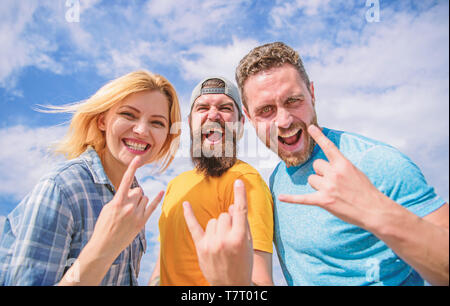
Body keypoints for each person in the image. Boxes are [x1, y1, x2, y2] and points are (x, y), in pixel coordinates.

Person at [233, 42, 449, 286]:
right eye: (266, 110)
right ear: (249, 117)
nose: (283, 120)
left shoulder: (375, 162)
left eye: (293, 100)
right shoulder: (276, 180)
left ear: (312, 94)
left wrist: (377, 212)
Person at [0, 70, 181, 286]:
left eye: (157, 123)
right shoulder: (62, 188)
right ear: (102, 121)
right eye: (128, 115)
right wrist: (103, 249)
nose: (141, 130)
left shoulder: (135, 200)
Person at [150, 77, 274, 286]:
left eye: (225, 108)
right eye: (203, 107)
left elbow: (261, 282)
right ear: (190, 122)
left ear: (241, 123)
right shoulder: (176, 185)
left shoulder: (245, 182)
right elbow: (161, 266)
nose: (213, 115)